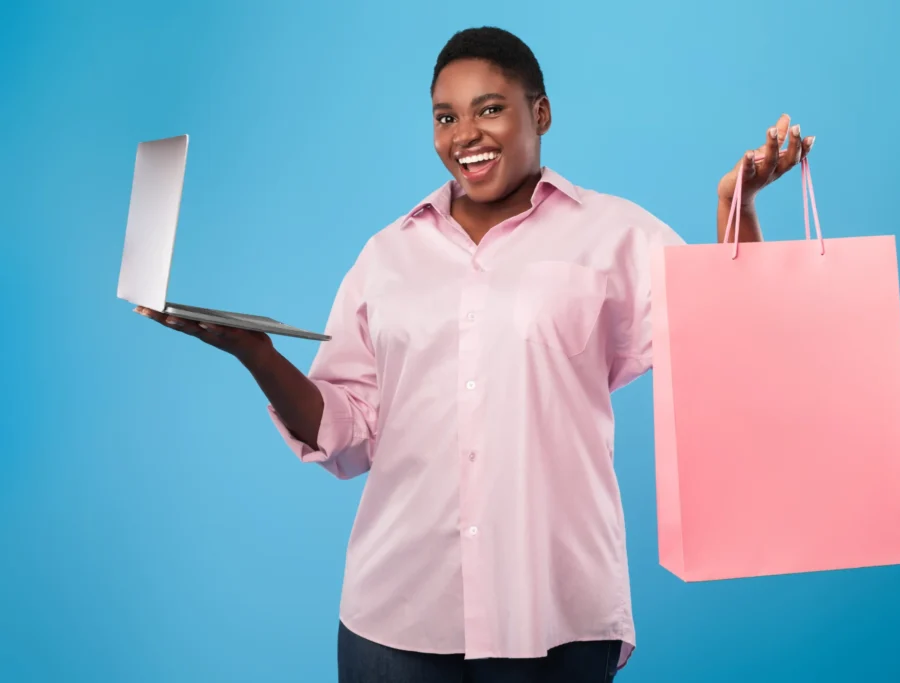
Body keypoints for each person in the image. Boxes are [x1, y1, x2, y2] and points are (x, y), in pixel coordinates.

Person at [136, 26, 813, 683]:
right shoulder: (388, 256)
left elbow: (733, 340)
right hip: (396, 619)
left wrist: (738, 207)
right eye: (445, 116)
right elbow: (345, 433)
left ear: (539, 112)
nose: (464, 135)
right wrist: (255, 353)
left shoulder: (617, 236)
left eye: (489, 108)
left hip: (557, 617)